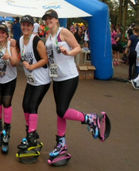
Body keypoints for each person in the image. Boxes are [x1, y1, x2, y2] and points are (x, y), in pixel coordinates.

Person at [43, 9, 109, 161]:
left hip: (69, 77)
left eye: (51, 18)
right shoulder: (48, 36)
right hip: (57, 78)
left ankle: (90, 118)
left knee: (62, 109)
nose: (48, 21)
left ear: (56, 19)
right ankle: (61, 144)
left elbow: (78, 48)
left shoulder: (63, 32)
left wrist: (68, 53)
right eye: (46, 19)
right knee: (60, 112)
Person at [15, 15, 51, 152]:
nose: (25, 27)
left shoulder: (36, 41)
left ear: (32, 27)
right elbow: (17, 53)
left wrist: (32, 66)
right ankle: (32, 132)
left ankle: (31, 137)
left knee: (32, 106)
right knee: (25, 105)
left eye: (28, 25)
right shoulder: (19, 40)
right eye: (23, 25)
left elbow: (45, 59)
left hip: (42, 80)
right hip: (32, 80)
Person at [0, 24, 18, 153]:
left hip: (9, 79)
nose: (0, 34)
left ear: (7, 34)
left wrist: (10, 57)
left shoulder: (11, 45)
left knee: (6, 103)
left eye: (3, 32)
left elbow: (15, 62)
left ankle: (6, 131)